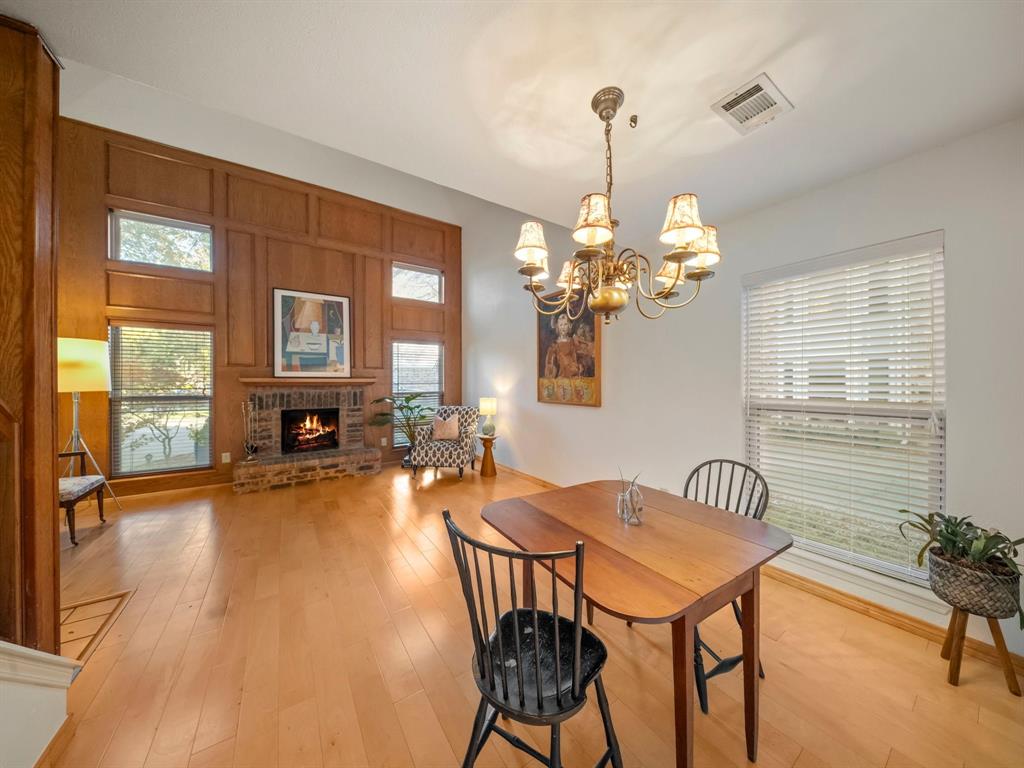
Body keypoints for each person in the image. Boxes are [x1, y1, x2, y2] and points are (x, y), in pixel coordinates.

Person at [544, 312, 594, 378]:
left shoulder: (573, 341)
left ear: (569, 325)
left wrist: (580, 366)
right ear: (557, 326)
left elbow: (585, 352)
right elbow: (550, 364)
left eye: (565, 324)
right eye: (561, 325)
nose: (563, 327)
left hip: (575, 376)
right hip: (562, 378)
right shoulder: (554, 346)